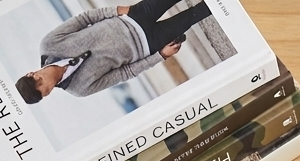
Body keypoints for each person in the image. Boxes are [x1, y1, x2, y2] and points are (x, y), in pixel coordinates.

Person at [15, 0, 212, 102]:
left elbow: (84, 19)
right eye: (45, 93)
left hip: (133, 18)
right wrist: (160, 55)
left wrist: (119, 10)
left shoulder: (49, 44)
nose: (48, 90)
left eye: (42, 86)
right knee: (197, 14)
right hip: (148, 44)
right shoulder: (80, 89)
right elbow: (125, 73)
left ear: (33, 75)